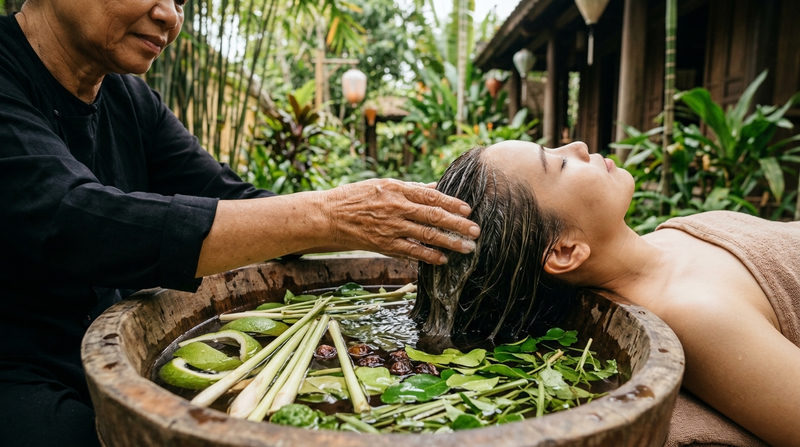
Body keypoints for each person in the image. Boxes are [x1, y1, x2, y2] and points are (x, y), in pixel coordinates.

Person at [0, 1, 480, 445]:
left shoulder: (130, 99)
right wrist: (329, 216)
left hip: (112, 359)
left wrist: (377, 221)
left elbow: (233, 200)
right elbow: (74, 220)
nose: (170, 15)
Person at [415, 141, 800, 447]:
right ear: (565, 251)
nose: (579, 147)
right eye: (560, 164)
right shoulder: (698, 314)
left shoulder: (663, 241)